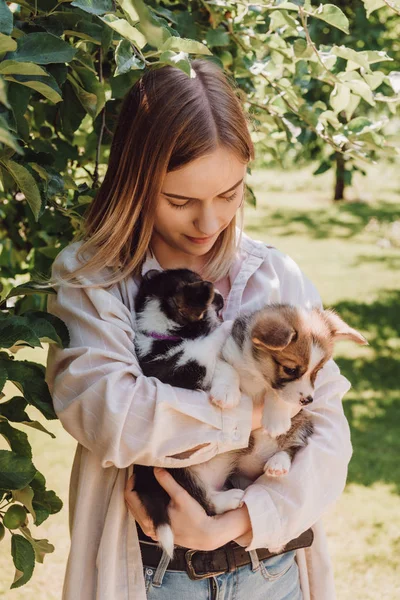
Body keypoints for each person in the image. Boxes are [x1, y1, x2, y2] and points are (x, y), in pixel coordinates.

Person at [45, 59, 352, 600]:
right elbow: (112, 416)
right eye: (180, 201)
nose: (208, 225)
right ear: (136, 184)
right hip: (153, 574)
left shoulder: (276, 276)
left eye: (229, 194)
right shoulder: (93, 279)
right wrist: (259, 409)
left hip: (271, 569)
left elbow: (328, 439)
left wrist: (229, 524)